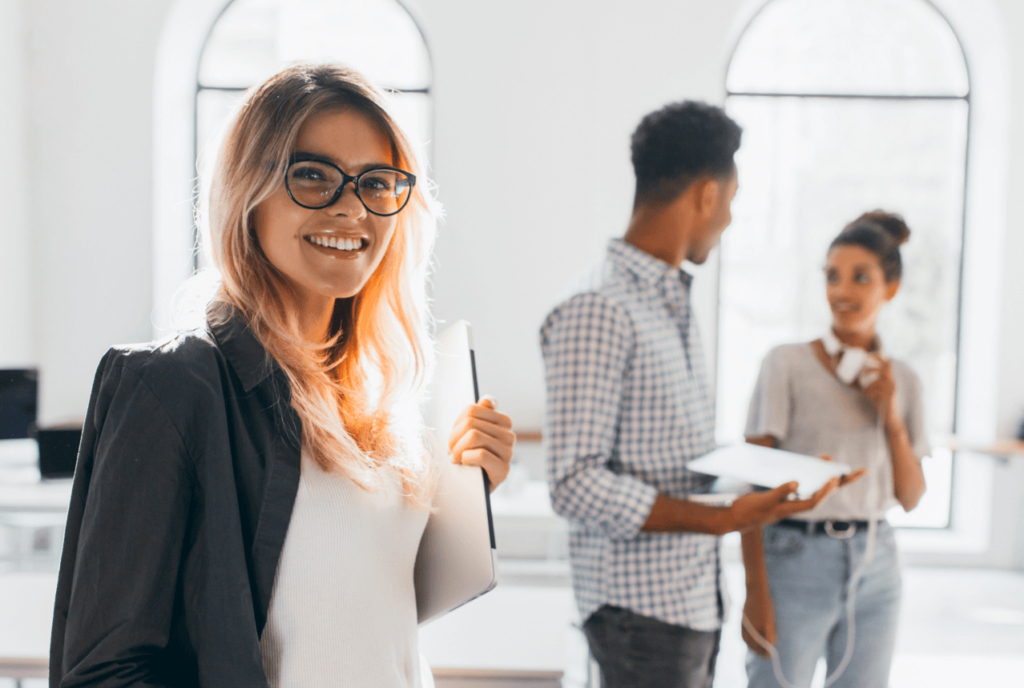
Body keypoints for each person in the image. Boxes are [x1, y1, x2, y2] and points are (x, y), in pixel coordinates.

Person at [49, 64, 515, 688]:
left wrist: (469, 491)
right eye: (313, 175)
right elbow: (105, 672)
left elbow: (362, 609)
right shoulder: (173, 388)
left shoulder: (381, 399)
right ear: (248, 192)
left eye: (376, 182)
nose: (352, 208)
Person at [539, 101, 842, 688]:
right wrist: (725, 518)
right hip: (638, 612)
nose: (729, 219)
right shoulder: (599, 308)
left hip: (685, 599)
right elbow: (574, 482)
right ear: (707, 194)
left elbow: (670, 455)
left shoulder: (668, 300)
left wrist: (772, 474)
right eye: (730, 199)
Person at [741, 211, 929, 688]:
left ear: (890, 288)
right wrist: (754, 591)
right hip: (794, 554)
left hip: (877, 559)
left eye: (860, 278)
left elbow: (910, 497)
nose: (842, 291)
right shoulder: (786, 363)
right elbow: (752, 481)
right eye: (832, 276)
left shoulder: (904, 380)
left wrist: (890, 419)